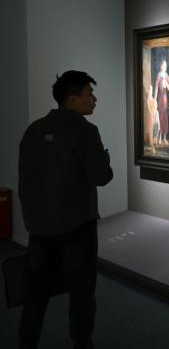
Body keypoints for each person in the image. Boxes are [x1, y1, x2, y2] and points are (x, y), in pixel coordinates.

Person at [18, 70, 113, 349]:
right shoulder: (85, 131)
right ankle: (82, 344)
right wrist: (105, 160)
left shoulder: (33, 130)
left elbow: (25, 181)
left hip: (39, 229)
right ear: (72, 99)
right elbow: (101, 176)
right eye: (89, 94)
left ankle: (26, 343)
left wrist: (32, 220)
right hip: (77, 228)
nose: (94, 99)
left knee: (35, 294)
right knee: (81, 293)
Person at [155, 59, 169, 145]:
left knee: (165, 117)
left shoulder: (167, 75)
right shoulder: (159, 75)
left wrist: (167, 84)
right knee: (160, 116)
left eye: (166, 66)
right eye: (163, 65)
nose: (165, 67)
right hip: (160, 98)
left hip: (165, 98)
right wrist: (154, 98)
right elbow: (156, 87)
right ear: (161, 66)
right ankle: (160, 137)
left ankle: (164, 137)